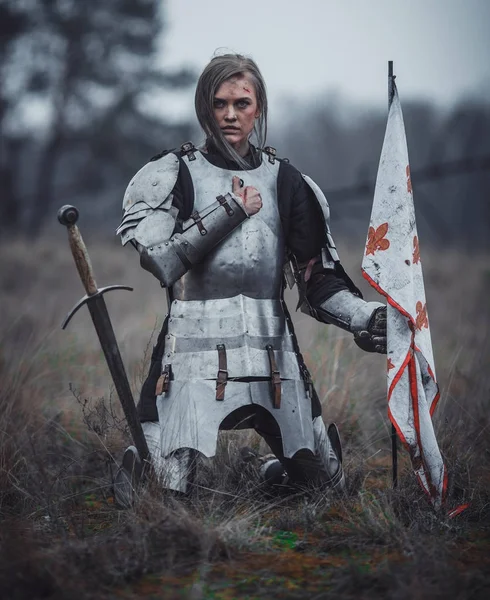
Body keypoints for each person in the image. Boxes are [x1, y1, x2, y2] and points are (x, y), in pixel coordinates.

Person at [114, 53, 386, 504]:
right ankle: (146, 462)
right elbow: (162, 264)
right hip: (189, 353)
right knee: (161, 499)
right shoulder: (171, 174)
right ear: (205, 107)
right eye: (219, 103)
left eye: (242, 103)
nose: (230, 115)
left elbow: (319, 282)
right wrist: (230, 211)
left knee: (325, 491)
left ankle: (273, 475)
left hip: (274, 355)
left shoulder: (289, 182)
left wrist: (367, 316)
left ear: (258, 107)